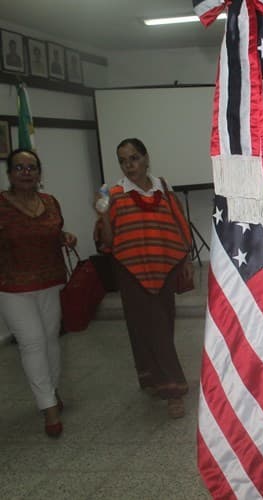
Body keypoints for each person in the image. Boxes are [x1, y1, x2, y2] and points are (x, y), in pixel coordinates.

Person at [95, 138, 193, 418]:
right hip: (131, 271)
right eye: (123, 160)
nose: (129, 165)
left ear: (146, 158)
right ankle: (172, 388)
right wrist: (102, 216)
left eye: (134, 158)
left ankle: (149, 376)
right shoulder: (114, 194)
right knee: (149, 327)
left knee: (162, 324)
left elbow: (178, 222)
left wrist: (185, 259)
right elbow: (109, 242)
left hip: (164, 268)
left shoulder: (163, 186)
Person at [0, 149, 77, 437]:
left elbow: (54, 233)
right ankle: (49, 409)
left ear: (39, 173)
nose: (26, 172)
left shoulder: (50, 202)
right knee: (32, 343)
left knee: (50, 341)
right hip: (12, 287)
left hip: (50, 281)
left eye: (31, 167)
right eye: (19, 167)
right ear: (9, 174)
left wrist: (65, 238)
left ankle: (51, 391)